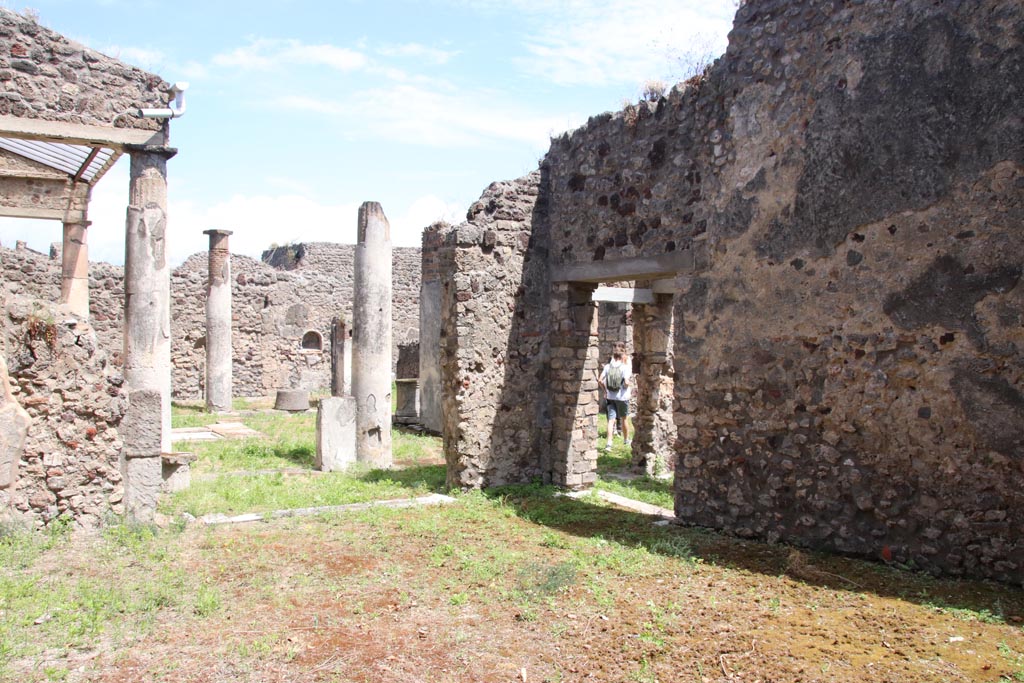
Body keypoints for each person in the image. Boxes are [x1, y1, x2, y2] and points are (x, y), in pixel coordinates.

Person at [598, 346, 633, 451]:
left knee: (611, 420)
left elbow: (600, 380)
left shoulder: (608, 367)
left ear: (613, 356)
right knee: (624, 418)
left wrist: (605, 391)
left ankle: (609, 444)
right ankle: (626, 440)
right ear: (622, 356)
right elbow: (626, 382)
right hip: (622, 398)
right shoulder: (624, 367)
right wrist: (628, 386)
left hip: (610, 397)